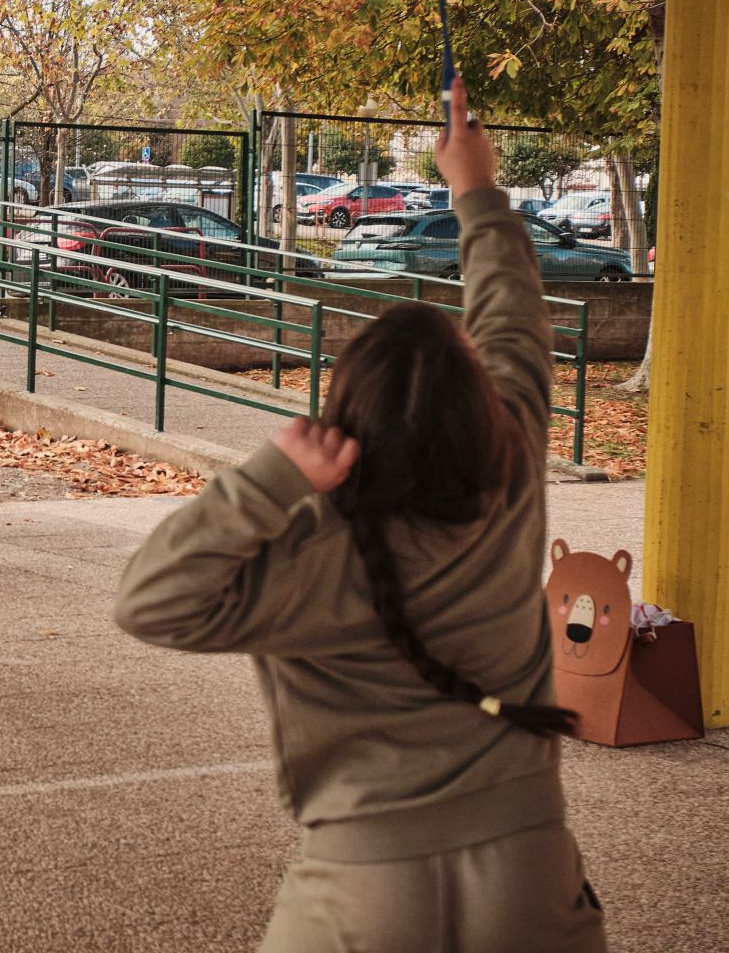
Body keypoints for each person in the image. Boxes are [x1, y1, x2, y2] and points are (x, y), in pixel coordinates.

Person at [113, 81, 604, 952]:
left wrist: (272, 479)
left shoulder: (307, 551)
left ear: (346, 416)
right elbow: (515, 314)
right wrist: (474, 186)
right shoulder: (514, 469)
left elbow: (149, 602)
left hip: (359, 893)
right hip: (530, 873)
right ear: (482, 407)